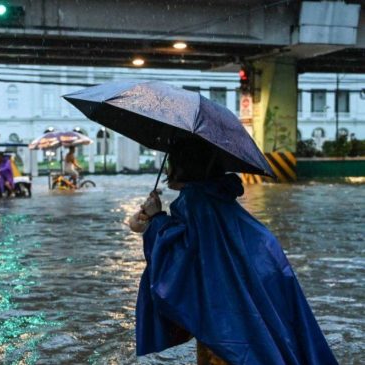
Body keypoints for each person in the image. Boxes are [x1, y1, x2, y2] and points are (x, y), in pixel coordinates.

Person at [129, 139, 337, 365]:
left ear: (183, 165)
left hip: (224, 306)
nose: (167, 168)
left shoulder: (194, 201)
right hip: (265, 274)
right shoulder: (218, 195)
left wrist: (157, 218)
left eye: (170, 161)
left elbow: (180, 258)